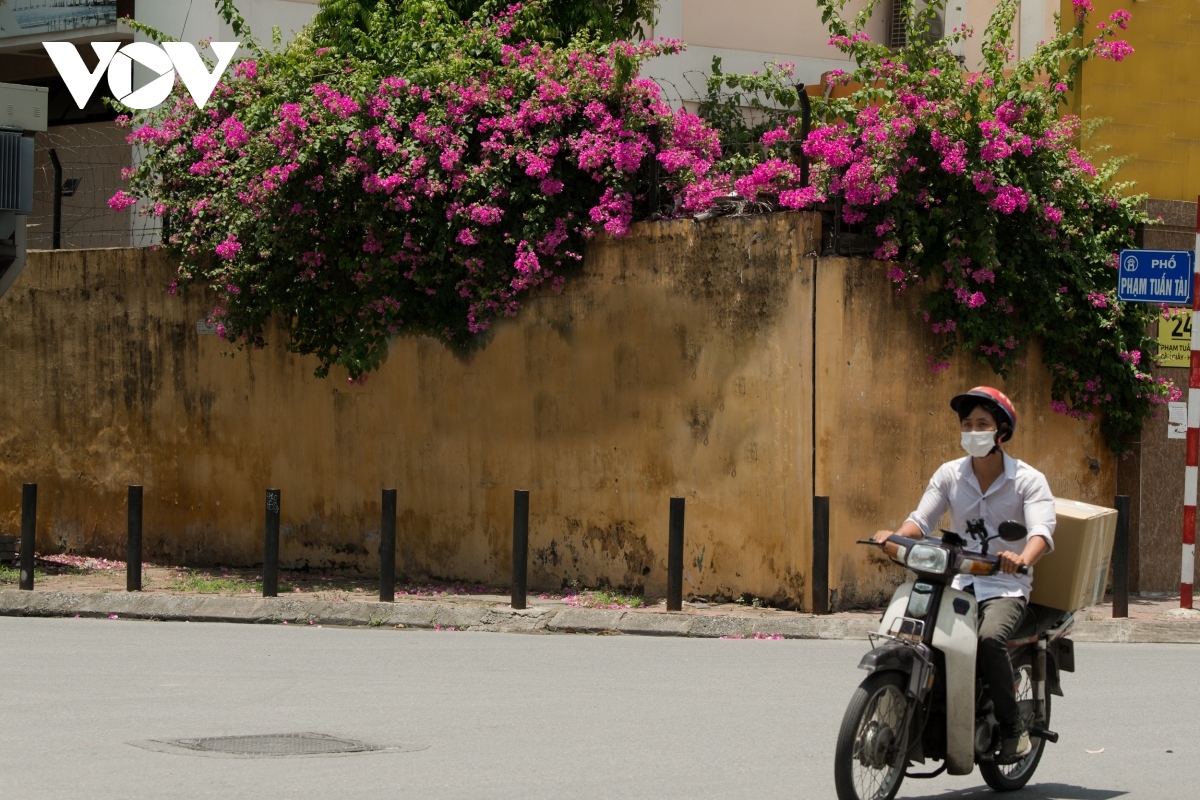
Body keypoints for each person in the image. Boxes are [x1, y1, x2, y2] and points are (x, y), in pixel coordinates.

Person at [872, 386, 1056, 762]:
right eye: (968, 424)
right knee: (907, 634)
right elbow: (921, 521)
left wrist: (1021, 558)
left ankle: (1012, 729)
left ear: (1001, 432)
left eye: (982, 424)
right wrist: (894, 537)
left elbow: (1040, 533)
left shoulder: (1028, 480)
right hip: (954, 580)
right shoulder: (949, 475)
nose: (973, 430)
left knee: (989, 640)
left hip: (1004, 585)